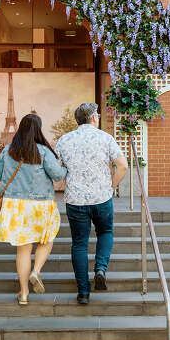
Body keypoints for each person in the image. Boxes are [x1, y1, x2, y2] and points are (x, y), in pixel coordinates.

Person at [0, 113, 67, 306]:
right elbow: (58, 176)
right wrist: (63, 165)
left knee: (23, 251)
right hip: (41, 204)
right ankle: (36, 271)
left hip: (15, 206)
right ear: (38, 130)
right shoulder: (43, 151)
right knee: (47, 238)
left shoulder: (8, 150)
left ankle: (24, 293)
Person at [55, 103, 127, 305]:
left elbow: (56, 171)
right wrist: (111, 186)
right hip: (102, 197)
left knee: (79, 243)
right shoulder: (106, 138)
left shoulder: (64, 140)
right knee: (105, 232)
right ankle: (101, 269)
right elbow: (123, 166)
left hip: (75, 200)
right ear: (94, 118)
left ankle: (83, 293)